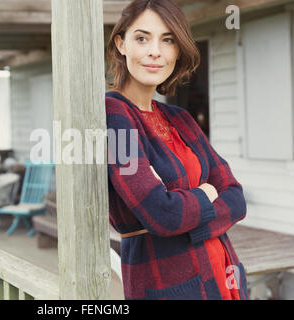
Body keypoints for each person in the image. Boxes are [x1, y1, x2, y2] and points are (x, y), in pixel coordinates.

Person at [105, 0, 248, 300]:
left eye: (167, 39)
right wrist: (205, 193)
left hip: (224, 274)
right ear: (121, 44)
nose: (155, 51)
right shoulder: (114, 114)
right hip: (169, 283)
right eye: (142, 38)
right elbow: (161, 214)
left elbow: (235, 196)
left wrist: (188, 215)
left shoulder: (179, 119)